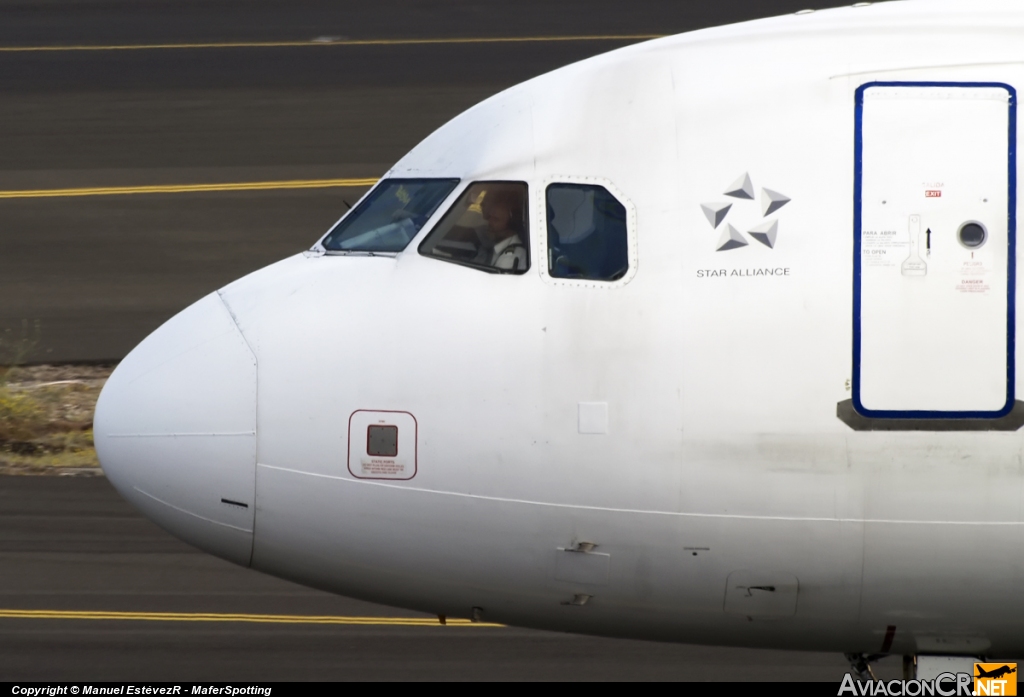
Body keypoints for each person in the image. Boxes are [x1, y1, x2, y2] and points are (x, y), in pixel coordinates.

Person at [478, 187, 528, 272]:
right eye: (490, 217)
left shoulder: (508, 259)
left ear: (511, 225)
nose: (490, 222)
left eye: (496, 219)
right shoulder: (500, 248)